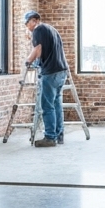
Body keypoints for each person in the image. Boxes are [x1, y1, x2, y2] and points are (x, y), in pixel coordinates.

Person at [23, 10, 68, 147]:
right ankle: (59, 135)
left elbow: (38, 49)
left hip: (50, 72)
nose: (28, 28)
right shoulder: (51, 29)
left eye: (28, 24)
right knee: (56, 104)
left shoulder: (38, 29)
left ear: (33, 21)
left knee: (47, 106)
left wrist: (28, 61)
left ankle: (49, 137)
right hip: (61, 71)